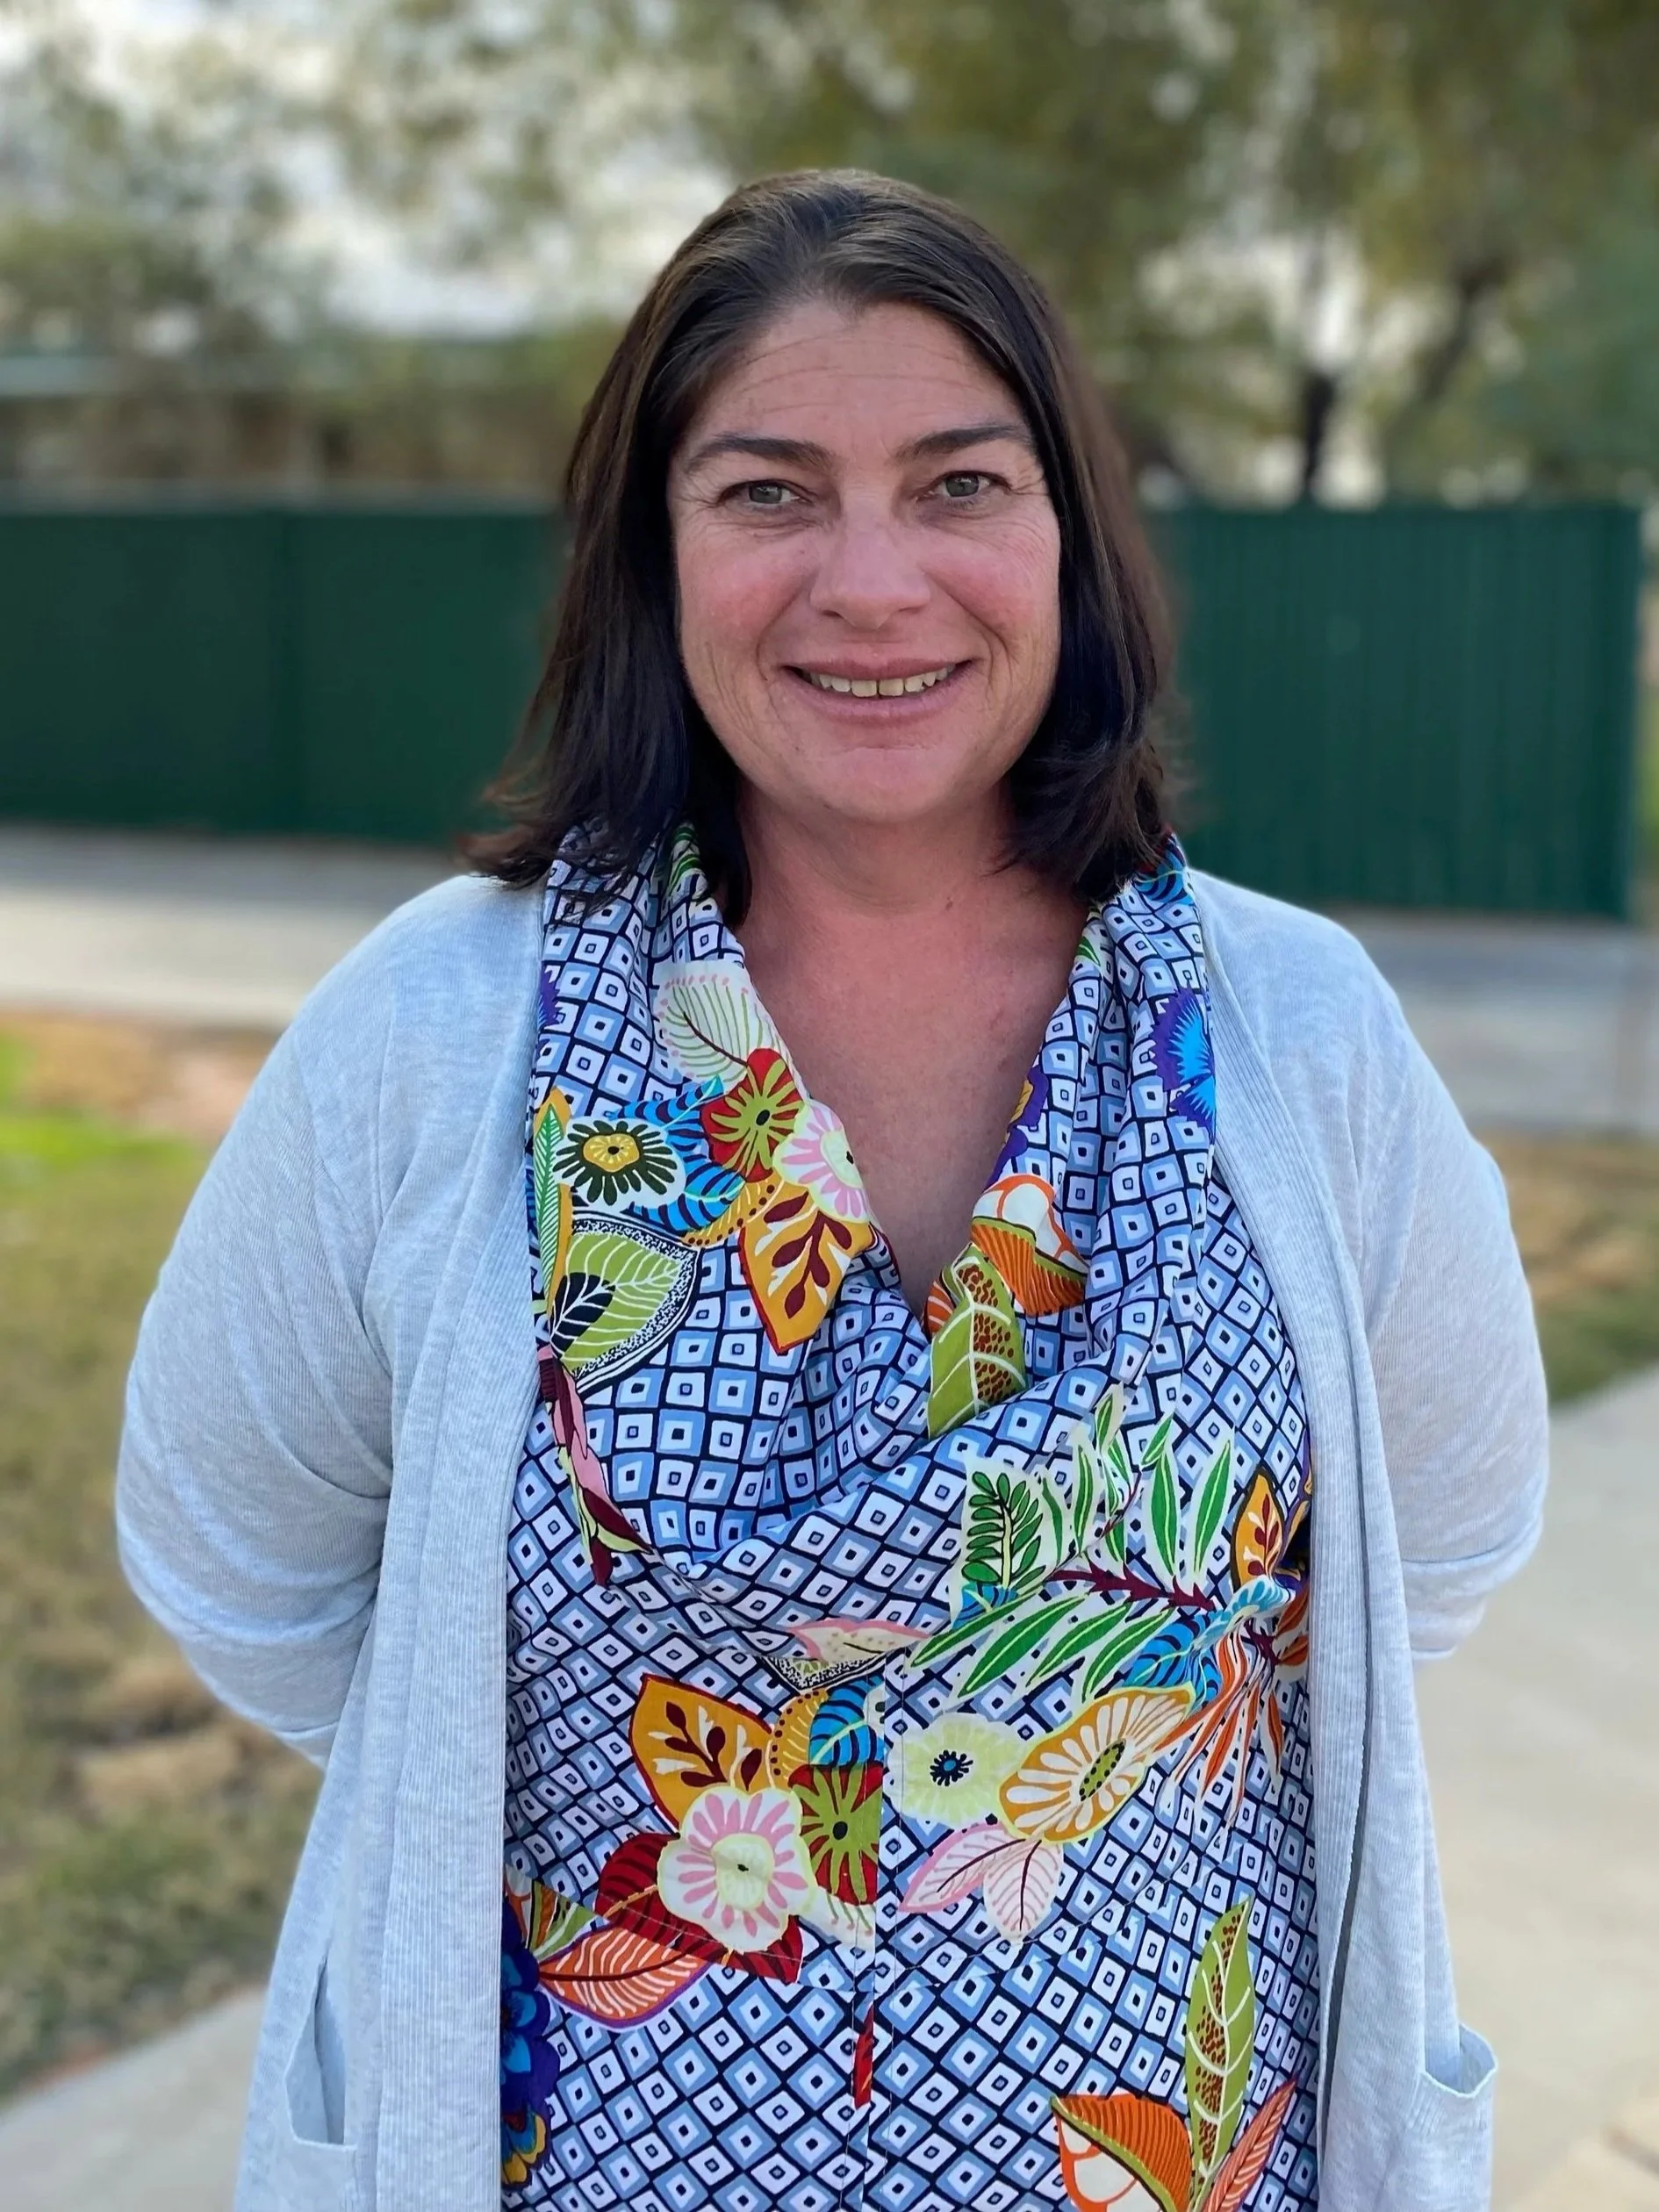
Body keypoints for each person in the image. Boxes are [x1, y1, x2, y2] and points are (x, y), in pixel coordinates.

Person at [118, 169, 1548, 2212]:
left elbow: (1452, 1537)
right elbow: (237, 1560)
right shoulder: (434, 1037)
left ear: (1072, 539)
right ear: (655, 552)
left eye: (959, 485)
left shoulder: (1296, 1038)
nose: (869, 582)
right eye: (769, 492)